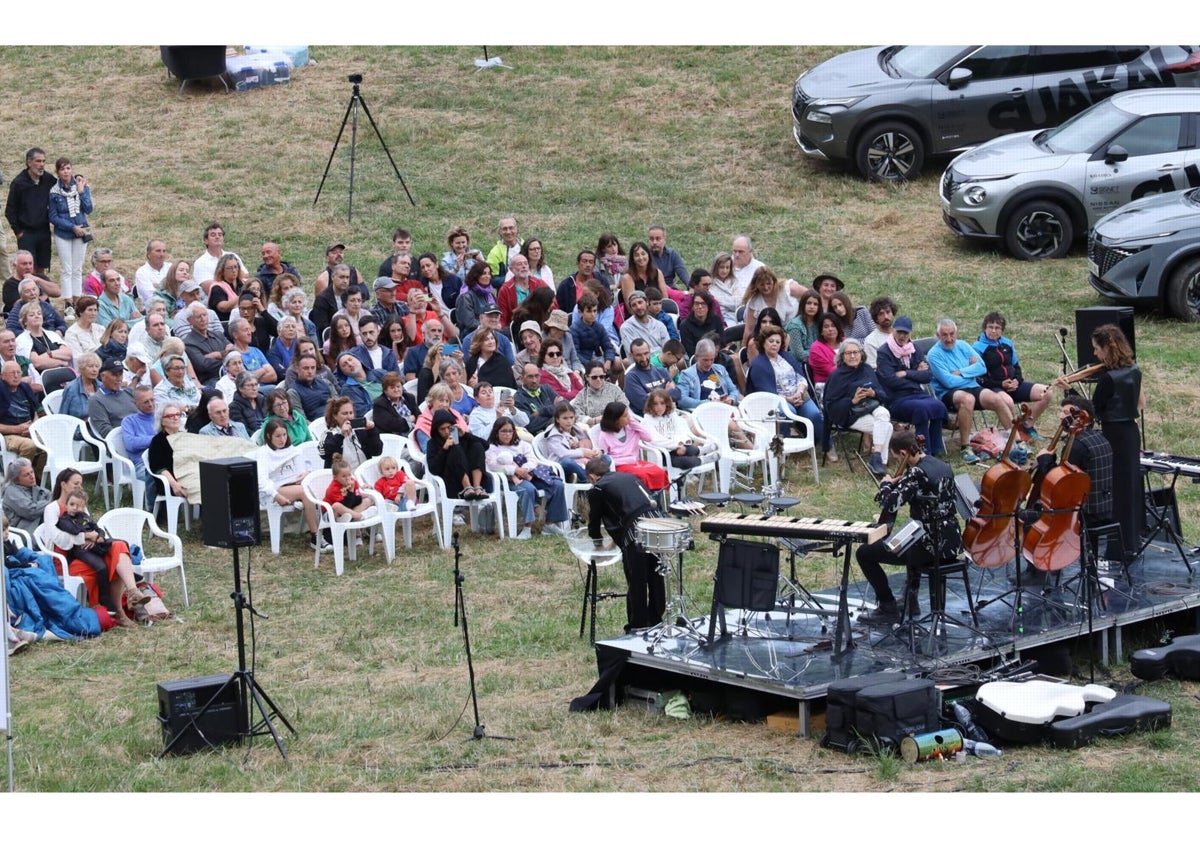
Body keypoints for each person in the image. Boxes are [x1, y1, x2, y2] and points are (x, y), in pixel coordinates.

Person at [855, 429, 963, 625]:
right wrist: (902, 481)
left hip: (929, 545)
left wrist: (886, 484)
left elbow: (889, 502)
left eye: (897, 457)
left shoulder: (916, 472)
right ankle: (910, 599)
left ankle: (887, 606)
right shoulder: (941, 464)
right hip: (951, 541)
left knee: (864, 553)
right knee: (905, 537)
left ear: (904, 453)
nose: (898, 462)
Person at [1074, 324, 1144, 559]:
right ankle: (1131, 543)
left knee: (1114, 490)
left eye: (1096, 348)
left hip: (1113, 435)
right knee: (1130, 488)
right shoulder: (1134, 370)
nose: (1095, 354)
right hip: (1131, 434)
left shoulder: (1108, 378)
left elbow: (1096, 409)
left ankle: (1118, 548)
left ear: (1107, 348)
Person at [1029, 392, 1118, 566]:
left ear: (1080, 417)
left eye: (1065, 412)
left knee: (1033, 517)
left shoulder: (1077, 446)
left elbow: (1060, 487)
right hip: (1106, 506)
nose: (1061, 416)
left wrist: (1045, 460)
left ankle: (1040, 571)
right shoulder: (1100, 438)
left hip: (1086, 512)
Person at [586, 457, 664, 632]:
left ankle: (638, 626)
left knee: (637, 579)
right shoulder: (629, 477)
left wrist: (597, 544)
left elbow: (594, 520)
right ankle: (657, 619)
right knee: (657, 575)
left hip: (636, 529)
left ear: (592, 477)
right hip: (658, 523)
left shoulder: (597, 488)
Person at [53, 488, 148, 626]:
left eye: (79, 506)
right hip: (77, 552)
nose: (75, 508)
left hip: (95, 547)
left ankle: (133, 592)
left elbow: (98, 528)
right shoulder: (62, 518)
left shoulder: (84, 517)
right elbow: (73, 530)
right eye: (72, 504)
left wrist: (98, 537)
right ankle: (116, 604)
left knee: (121, 545)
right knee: (106, 564)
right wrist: (89, 536)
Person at [927, 318, 1015, 464]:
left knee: (996, 398)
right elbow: (948, 382)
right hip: (948, 393)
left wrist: (960, 372)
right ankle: (965, 447)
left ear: (956, 333)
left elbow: (982, 367)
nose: (949, 339)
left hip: (971, 386)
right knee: (967, 399)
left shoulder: (963, 345)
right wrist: (971, 372)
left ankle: (1015, 442)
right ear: (938, 336)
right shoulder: (934, 354)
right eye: (944, 335)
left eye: (952, 334)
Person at [744, 324, 825, 452]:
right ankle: (783, 447)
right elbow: (766, 393)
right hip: (777, 400)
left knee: (814, 414)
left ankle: (820, 444)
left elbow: (801, 377)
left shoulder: (787, 357)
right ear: (763, 342)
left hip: (799, 395)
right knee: (788, 412)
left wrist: (799, 392)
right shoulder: (759, 364)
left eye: (777, 341)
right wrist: (789, 399)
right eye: (771, 341)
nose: (774, 344)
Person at [875, 315, 947, 457]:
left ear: (910, 334)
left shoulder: (914, 349)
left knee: (938, 405)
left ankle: (937, 448)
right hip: (896, 399)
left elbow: (927, 376)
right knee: (921, 409)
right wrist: (915, 374)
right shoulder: (884, 352)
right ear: (893, 331)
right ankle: (923, 451)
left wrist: (906, 373)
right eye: (899, 332)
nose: (902, 336)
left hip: (916, 393)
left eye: (905, 333)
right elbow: (890, 381)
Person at [485, 416, 569, 539]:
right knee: (527, 489)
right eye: (503, 431)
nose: (507, 434)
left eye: (510, 431)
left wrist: (525, 469)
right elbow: (493, 465)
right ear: (496, 432)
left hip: (530, 474)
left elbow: (532, 460)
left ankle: (550, 524)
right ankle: (527, 527)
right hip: (509, 479)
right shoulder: (492, 448)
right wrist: (514, 470)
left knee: (557, 485)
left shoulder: (522, 444)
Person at [973, 311, 1053, 440]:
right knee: (1008, 402)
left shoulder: (1008, 343)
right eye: (990, 327)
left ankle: (1027, 426)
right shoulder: (977, 348)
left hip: (1013, 385)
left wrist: (1017, 380)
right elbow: (979, 378)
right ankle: (1015, 436)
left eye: (997, 328)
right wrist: (1000, 384)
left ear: (1002, 330)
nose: (993, 331)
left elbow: (1016, 367)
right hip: (993, 388)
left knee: (1047, 392)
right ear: (984, 328)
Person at [255, 418, 329, 551]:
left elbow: (302, 470)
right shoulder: (264, 453)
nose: (282, 439)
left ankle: (328, 529)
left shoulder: (292, 450)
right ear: (268, 436)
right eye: (277, 436)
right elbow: (261, 480)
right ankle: (315, 535)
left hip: (294, 485)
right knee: (305, 491)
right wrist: (276, 495)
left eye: (284, 435)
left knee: (314, 487)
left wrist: (306, 474)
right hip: (276, 489)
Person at [822, 338, 892, 477]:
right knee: (887, 427)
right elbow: (830, 405)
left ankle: (876, 458)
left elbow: (883, 395)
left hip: (871, 406)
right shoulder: (836, 376)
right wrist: (852, 401)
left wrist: (873, 393)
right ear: (842, 356)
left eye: (855, 352)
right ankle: (880, 462)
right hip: (850, 414)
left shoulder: (866, 369)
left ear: (861, 354)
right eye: (848, 353)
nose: (853, 356)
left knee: (883, 413)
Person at [46, 158, 93, 307]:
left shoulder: (81, 186)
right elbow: (53, 216)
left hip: (82, 231)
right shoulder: (54, 192)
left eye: (68, 168)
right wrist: (72, 227)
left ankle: (78, 299)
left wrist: (81, 192)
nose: (66, 172)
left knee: (77, 268)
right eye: (62, 169)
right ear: (57, 172)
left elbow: (88, 209)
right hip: (64, 233)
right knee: (67, 268)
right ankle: (68, 302)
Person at [5, 149, 56, 278]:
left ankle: (41, 296)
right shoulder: (18, 183)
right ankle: (28, 295)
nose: (42, 164)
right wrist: (18, 232)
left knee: (41, 268)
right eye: (38, 161)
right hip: (26, 233)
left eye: (44, 161)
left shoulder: (48, 179)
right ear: (29, 162)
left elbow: (63, 184)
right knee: (28, 270)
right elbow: (10, 210)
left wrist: (77, 177)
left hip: (44, 231)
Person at [425, 406, 491, 501]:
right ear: (437, 430)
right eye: (442, 429)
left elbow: (485, 446)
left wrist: (465, 435)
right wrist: (444, 449)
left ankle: (477, 487)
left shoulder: (461, 436)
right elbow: (433, 469)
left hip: (470, 475)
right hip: (450, 480)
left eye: (449, 427)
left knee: (477, 446)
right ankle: (467, 488)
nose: (447, 431)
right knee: (455, 447)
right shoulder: (432, 443)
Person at [642, 389, 716, 470]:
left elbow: (680, 429)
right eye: (655, 404)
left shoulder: (671, 413)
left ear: (667, 403)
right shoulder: (648, 419)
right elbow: (655, 439)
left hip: (676, 447)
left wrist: (680, 445)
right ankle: (704, 460)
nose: (659, 407)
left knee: (689, 449)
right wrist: (675, 446)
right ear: (650, 405)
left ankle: (701, 450)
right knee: (686, 462)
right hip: (662, 453)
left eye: (662, 403)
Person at [0, 360, 45, 478]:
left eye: (18, 372)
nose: (16, 375)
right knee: (29, 445)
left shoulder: (25, 388)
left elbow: (35, 412)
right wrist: (17, 429)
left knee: (49, 441)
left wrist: (32, 427)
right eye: (12, 373)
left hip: (29, 429)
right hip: (7, 434)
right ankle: (18, 480)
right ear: (2, 376)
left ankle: (37, 477)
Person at [120, 386, 159, 512]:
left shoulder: (160, 417)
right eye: (146, 402)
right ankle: (153, 511)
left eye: (152, 400)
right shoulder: (129, 421)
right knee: (154, 475)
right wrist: (157, 439)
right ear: (135, 403)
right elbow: (131, 444)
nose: (150, 404)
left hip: (162, 458)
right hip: (141, 463)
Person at [741, 266, 804, 343]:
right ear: (756, 285)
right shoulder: (754, 302)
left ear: (774, 280)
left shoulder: (787, 288)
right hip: (770, 340)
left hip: (796, 331)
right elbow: (749, 330)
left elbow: (811, 296)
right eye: (762, 285)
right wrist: (743, 349)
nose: (766, 287)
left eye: (768, 283)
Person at [319, 395, 382, 471]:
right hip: (342, 477)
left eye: (351, 413)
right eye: (344, 413)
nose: (349, 417)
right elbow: (324, 454)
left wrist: (372, 431)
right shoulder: (329, 434)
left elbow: (377, 452)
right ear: (335, 416)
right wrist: (341, 435)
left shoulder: (360, 430)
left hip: (363, 474)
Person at [543, 402, 602, 483]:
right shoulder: (553, 434)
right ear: (557, 419)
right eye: (565, 418)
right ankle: (590, 481)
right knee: (567, 462)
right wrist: (583, 453)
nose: (569, 421)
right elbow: (562, 454)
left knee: (606, 458)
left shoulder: (577, 429)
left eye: (571, 417)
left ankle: (600, 481)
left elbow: (590, 443)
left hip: (582, 460)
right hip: (562, 464)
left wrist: (596, 451)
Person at [624, 338, 679, 416]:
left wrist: (651, 395)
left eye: (646, 353)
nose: (644, 358)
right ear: (632, 355)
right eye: (639, 355)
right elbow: (643, 403)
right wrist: (666, 393)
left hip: (669, 415)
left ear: (650, 351)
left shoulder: (661, 371)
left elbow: (677, 394)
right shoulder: (631, 377)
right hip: (648, 419)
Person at [87, 358, 137, 437]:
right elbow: (105, 430)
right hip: (123, 440)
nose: (119, 378)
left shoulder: (129, 391)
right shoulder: (96, 400)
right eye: (114, 374)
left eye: (120, 374)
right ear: (103, 376)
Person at [16, 302, 71, 371]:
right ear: (25, 321)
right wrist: (61, 362)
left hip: (63, 373)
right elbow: (37, 363)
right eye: (32, 315)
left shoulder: (52, 334)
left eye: (39, 313)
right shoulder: (22, 340)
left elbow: (68, 353)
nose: (37, 316)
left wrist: (48, 355)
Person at [572, 360, 628, 427]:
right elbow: (576, 415)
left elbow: (625, 406)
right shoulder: (582, 395)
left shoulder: (614, 389)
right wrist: (593, 420)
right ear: (587, 377)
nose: (598, 380)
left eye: (601, 376)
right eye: (594, 377)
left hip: (616, 426)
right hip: (592, 430)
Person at [2, 457, 52, 534]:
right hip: (24, 533)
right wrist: (51, 502)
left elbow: (52, 496)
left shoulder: (35, 488)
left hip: (42, 528)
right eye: (26, 475)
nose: (32, 477)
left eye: (32, 472)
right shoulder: (11, 492)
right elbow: (31, 510)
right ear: (16, 480)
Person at [569, 292, 615, 374]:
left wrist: (608, 361)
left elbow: (608, 346)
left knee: (619, 363)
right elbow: (575, 353)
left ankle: (611, 385)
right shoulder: (574, 329)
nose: (593, 314)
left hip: (598, 359)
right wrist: (592, 365)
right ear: (580, 312)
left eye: (595, 311)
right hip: (582, 362)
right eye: (589, 311)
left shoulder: (599, 327)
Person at [323, 454, 378, 523]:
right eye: (344, 476)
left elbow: (358, 500)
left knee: (368, 500)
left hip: (349, 511)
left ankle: (350, 518)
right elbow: (346, 505)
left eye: (349, 475)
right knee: (336, 506)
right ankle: (359, 516)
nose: (348, 478)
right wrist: (351, 491)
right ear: (335, 477)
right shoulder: (333, 489)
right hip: (333, 514)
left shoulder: (353, 481)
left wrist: (355, 491)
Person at [619, 242, 667, 316]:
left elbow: (665, 299)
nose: (641, 257)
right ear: (633, 259)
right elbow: (631, 307)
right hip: (637, 317)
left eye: (643, 254)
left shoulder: (658, 273)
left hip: (658, 315)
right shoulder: (627, 278)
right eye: (637, 255)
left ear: (648, 255)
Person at [513, 362, 558, 436]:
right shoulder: (518, 398)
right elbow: (529, 424)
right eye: (530, 377)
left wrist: (541, 412)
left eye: (537, 376)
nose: (534, 380)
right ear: (521, 379)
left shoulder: (546, 388)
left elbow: (565, 405)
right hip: (540, 435)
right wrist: (555, 413)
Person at [371, 371, 419, 437]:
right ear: (385, 391)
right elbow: (392, 424)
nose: (396, 390)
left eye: (398, 386)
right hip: (395, 437)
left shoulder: (409, 397)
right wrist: (409, 419)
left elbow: (418, 415)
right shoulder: (379, 404)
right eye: (392, 388)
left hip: (415, 431)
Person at [783, 289, 823, 365]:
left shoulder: (820, 323)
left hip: (819, 362)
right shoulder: (795, 325)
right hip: (800, 366)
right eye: (809, 303)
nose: (812, 307)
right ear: (803, 304)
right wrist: (821, 353)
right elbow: (799, 355)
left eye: (815, 304)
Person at [455, 262, 496, 334]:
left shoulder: (490, 294)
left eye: (489, 273)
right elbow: (470, 323)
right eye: (484, 273)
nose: (487, 276)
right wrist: (489, 326)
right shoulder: (466, 296)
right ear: (476, 276)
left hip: (490, 330)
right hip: (472, 334)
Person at [58, 352, 101, 421]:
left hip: (99, 425)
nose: (94, 370)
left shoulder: (101, 387)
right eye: (90, 366)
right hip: (78, 427)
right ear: (81, 369)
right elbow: (63, 414)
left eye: (97, 366)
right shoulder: (71, 388)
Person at [679, 290, 723, 357]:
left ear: (709, 306)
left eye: (703, 303)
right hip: (699, 358)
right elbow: (690, 352)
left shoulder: (716, 320)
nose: (700, 307)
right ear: (693, 306)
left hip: (718, 355)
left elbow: (722, 342)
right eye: (696, 303)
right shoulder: (685, 326)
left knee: (735, 358)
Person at [555, 250, 599, 315]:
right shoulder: (566, 285)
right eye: (584, 261)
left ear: (594, 265)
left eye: (591, 262)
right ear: (577, 264)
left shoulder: (601, 281)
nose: (588, 265)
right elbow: (560, 310)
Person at [63, 295, 104, 362]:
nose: (93, 313)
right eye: (90, 310)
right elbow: (77, 359)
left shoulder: (100, 329)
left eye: (95, 310)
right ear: (81, 312)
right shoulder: (72, 333)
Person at [808, 312, 844, 388]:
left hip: (848, 380)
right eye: (826, 327)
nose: (830, 329)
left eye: (833, 326)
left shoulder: (845, 341)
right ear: (821, 331)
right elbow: (831, 372)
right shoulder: (816, 349)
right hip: (827, 385)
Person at [647, 225, 688, 289]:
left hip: (671, 289)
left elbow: (683, 274)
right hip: (652, 291)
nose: (654, 242)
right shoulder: (645, 256)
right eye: (651, 239)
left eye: (658, 239)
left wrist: (692, 287)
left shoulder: (672, 254)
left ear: (665, 240)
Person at [862, 295, 898, 369]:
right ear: (876, 318)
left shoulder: (901, 334)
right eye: (881, 314)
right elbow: (874, 368)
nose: (886, 317)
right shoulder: (871, 341)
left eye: (888, 312)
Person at [134, 239, 171, 310]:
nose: (162, 254)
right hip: (153, 311)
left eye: (164, 251)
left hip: (173, 308)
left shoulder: (171, 268)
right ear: (149, 254)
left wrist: (158, 287)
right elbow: (152, 297)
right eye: (158, 251)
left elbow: (180, 290)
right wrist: (168, 288)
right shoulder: (142, 272)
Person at [485, 216, 522, 281]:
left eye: (511, 228)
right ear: (500, 231)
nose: (508, 232)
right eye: (504, 229)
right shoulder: (494, 253)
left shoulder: (527, 246)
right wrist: (513, 279)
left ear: (516, 229)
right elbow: (492, 279)